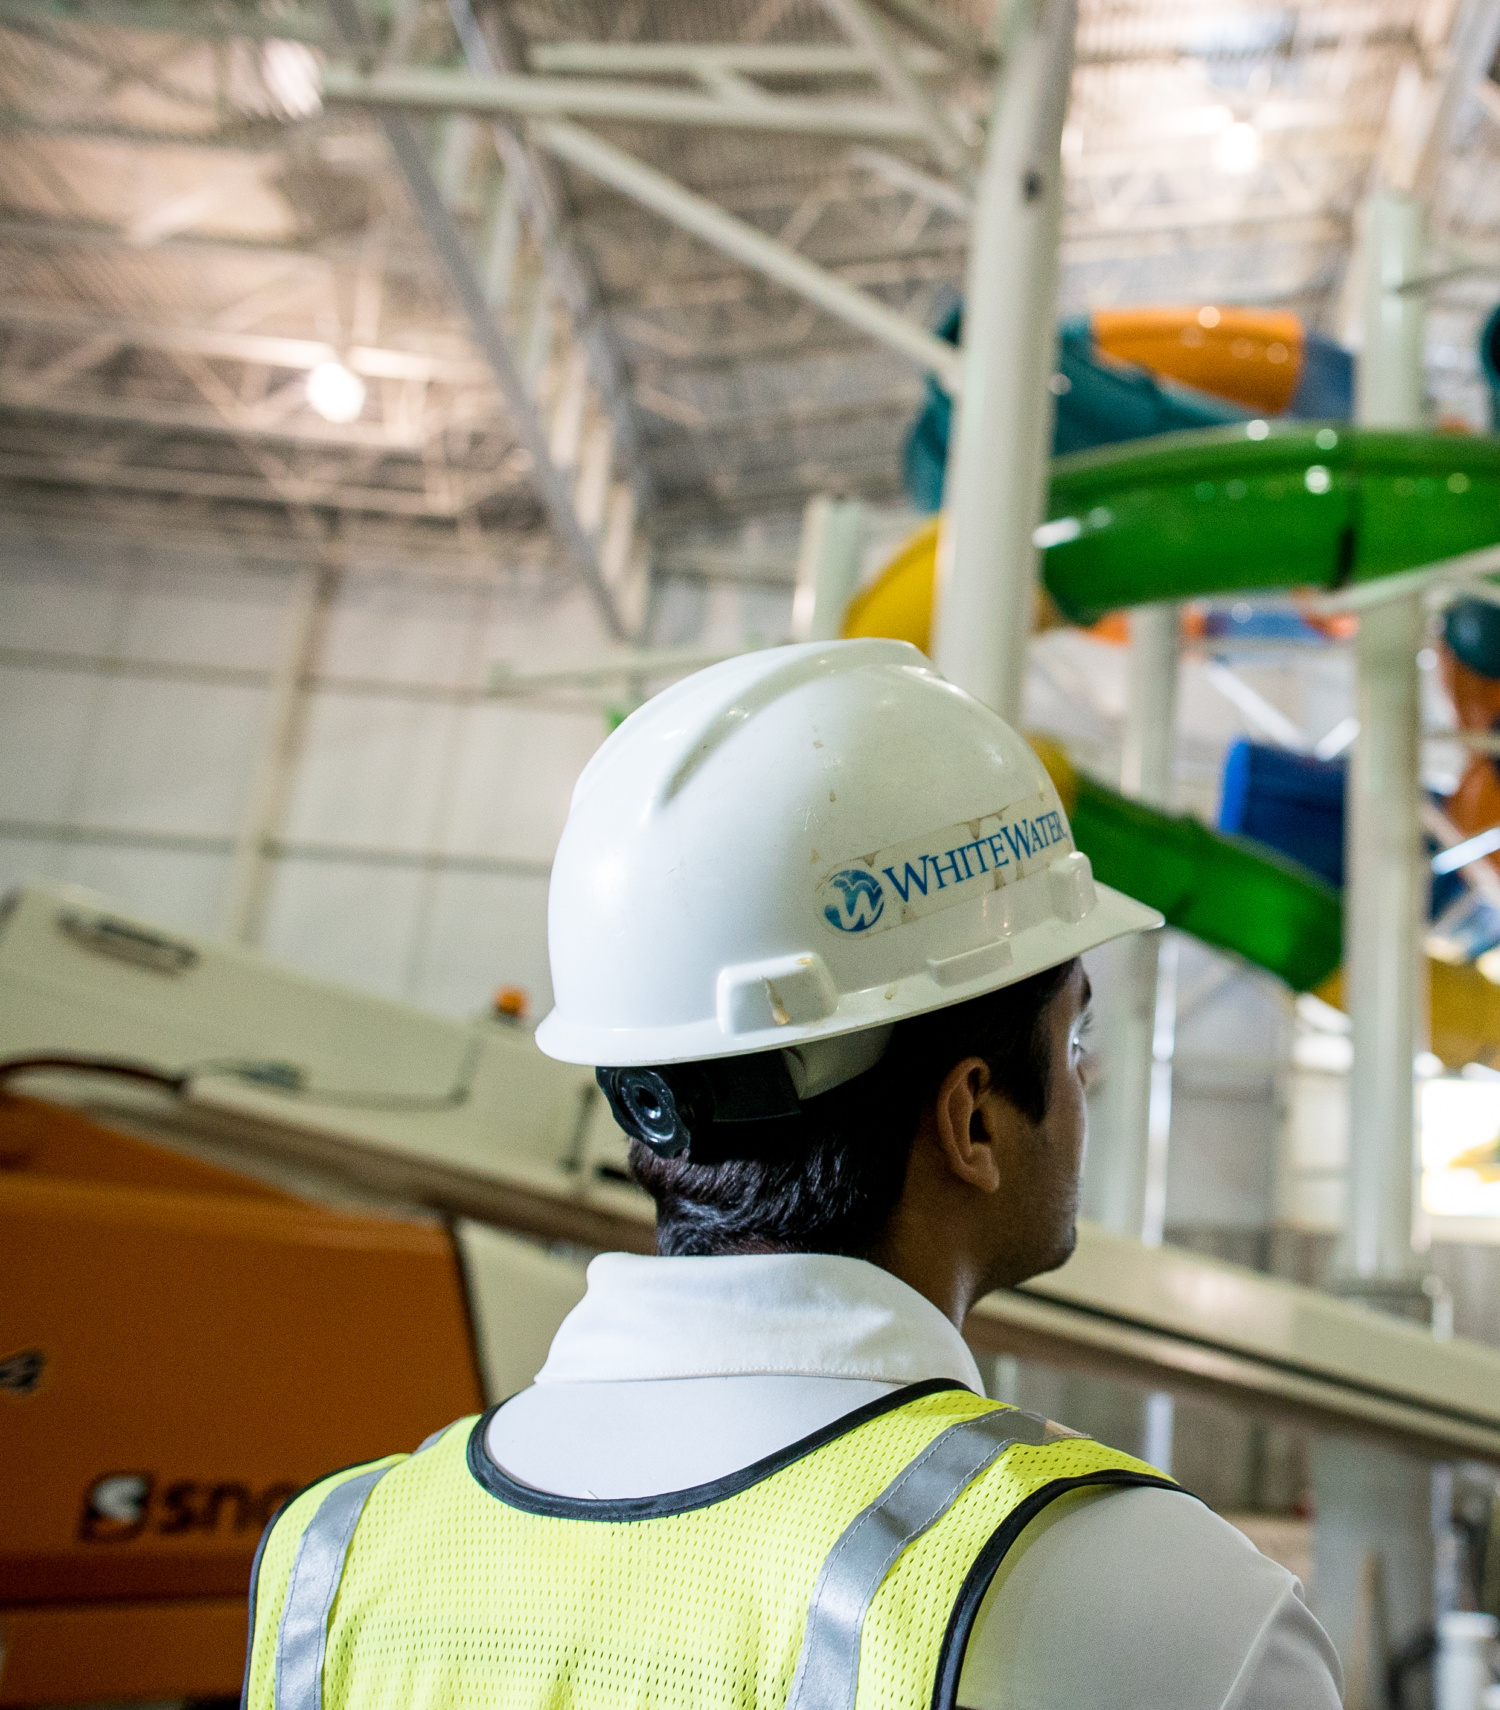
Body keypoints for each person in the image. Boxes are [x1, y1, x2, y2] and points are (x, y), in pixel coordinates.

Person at [242, 640, 1343, 1710]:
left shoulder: (337, 1560)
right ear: (972, 1118)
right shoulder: (1177, 1620)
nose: (1085, 1085)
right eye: (1073, 1042)